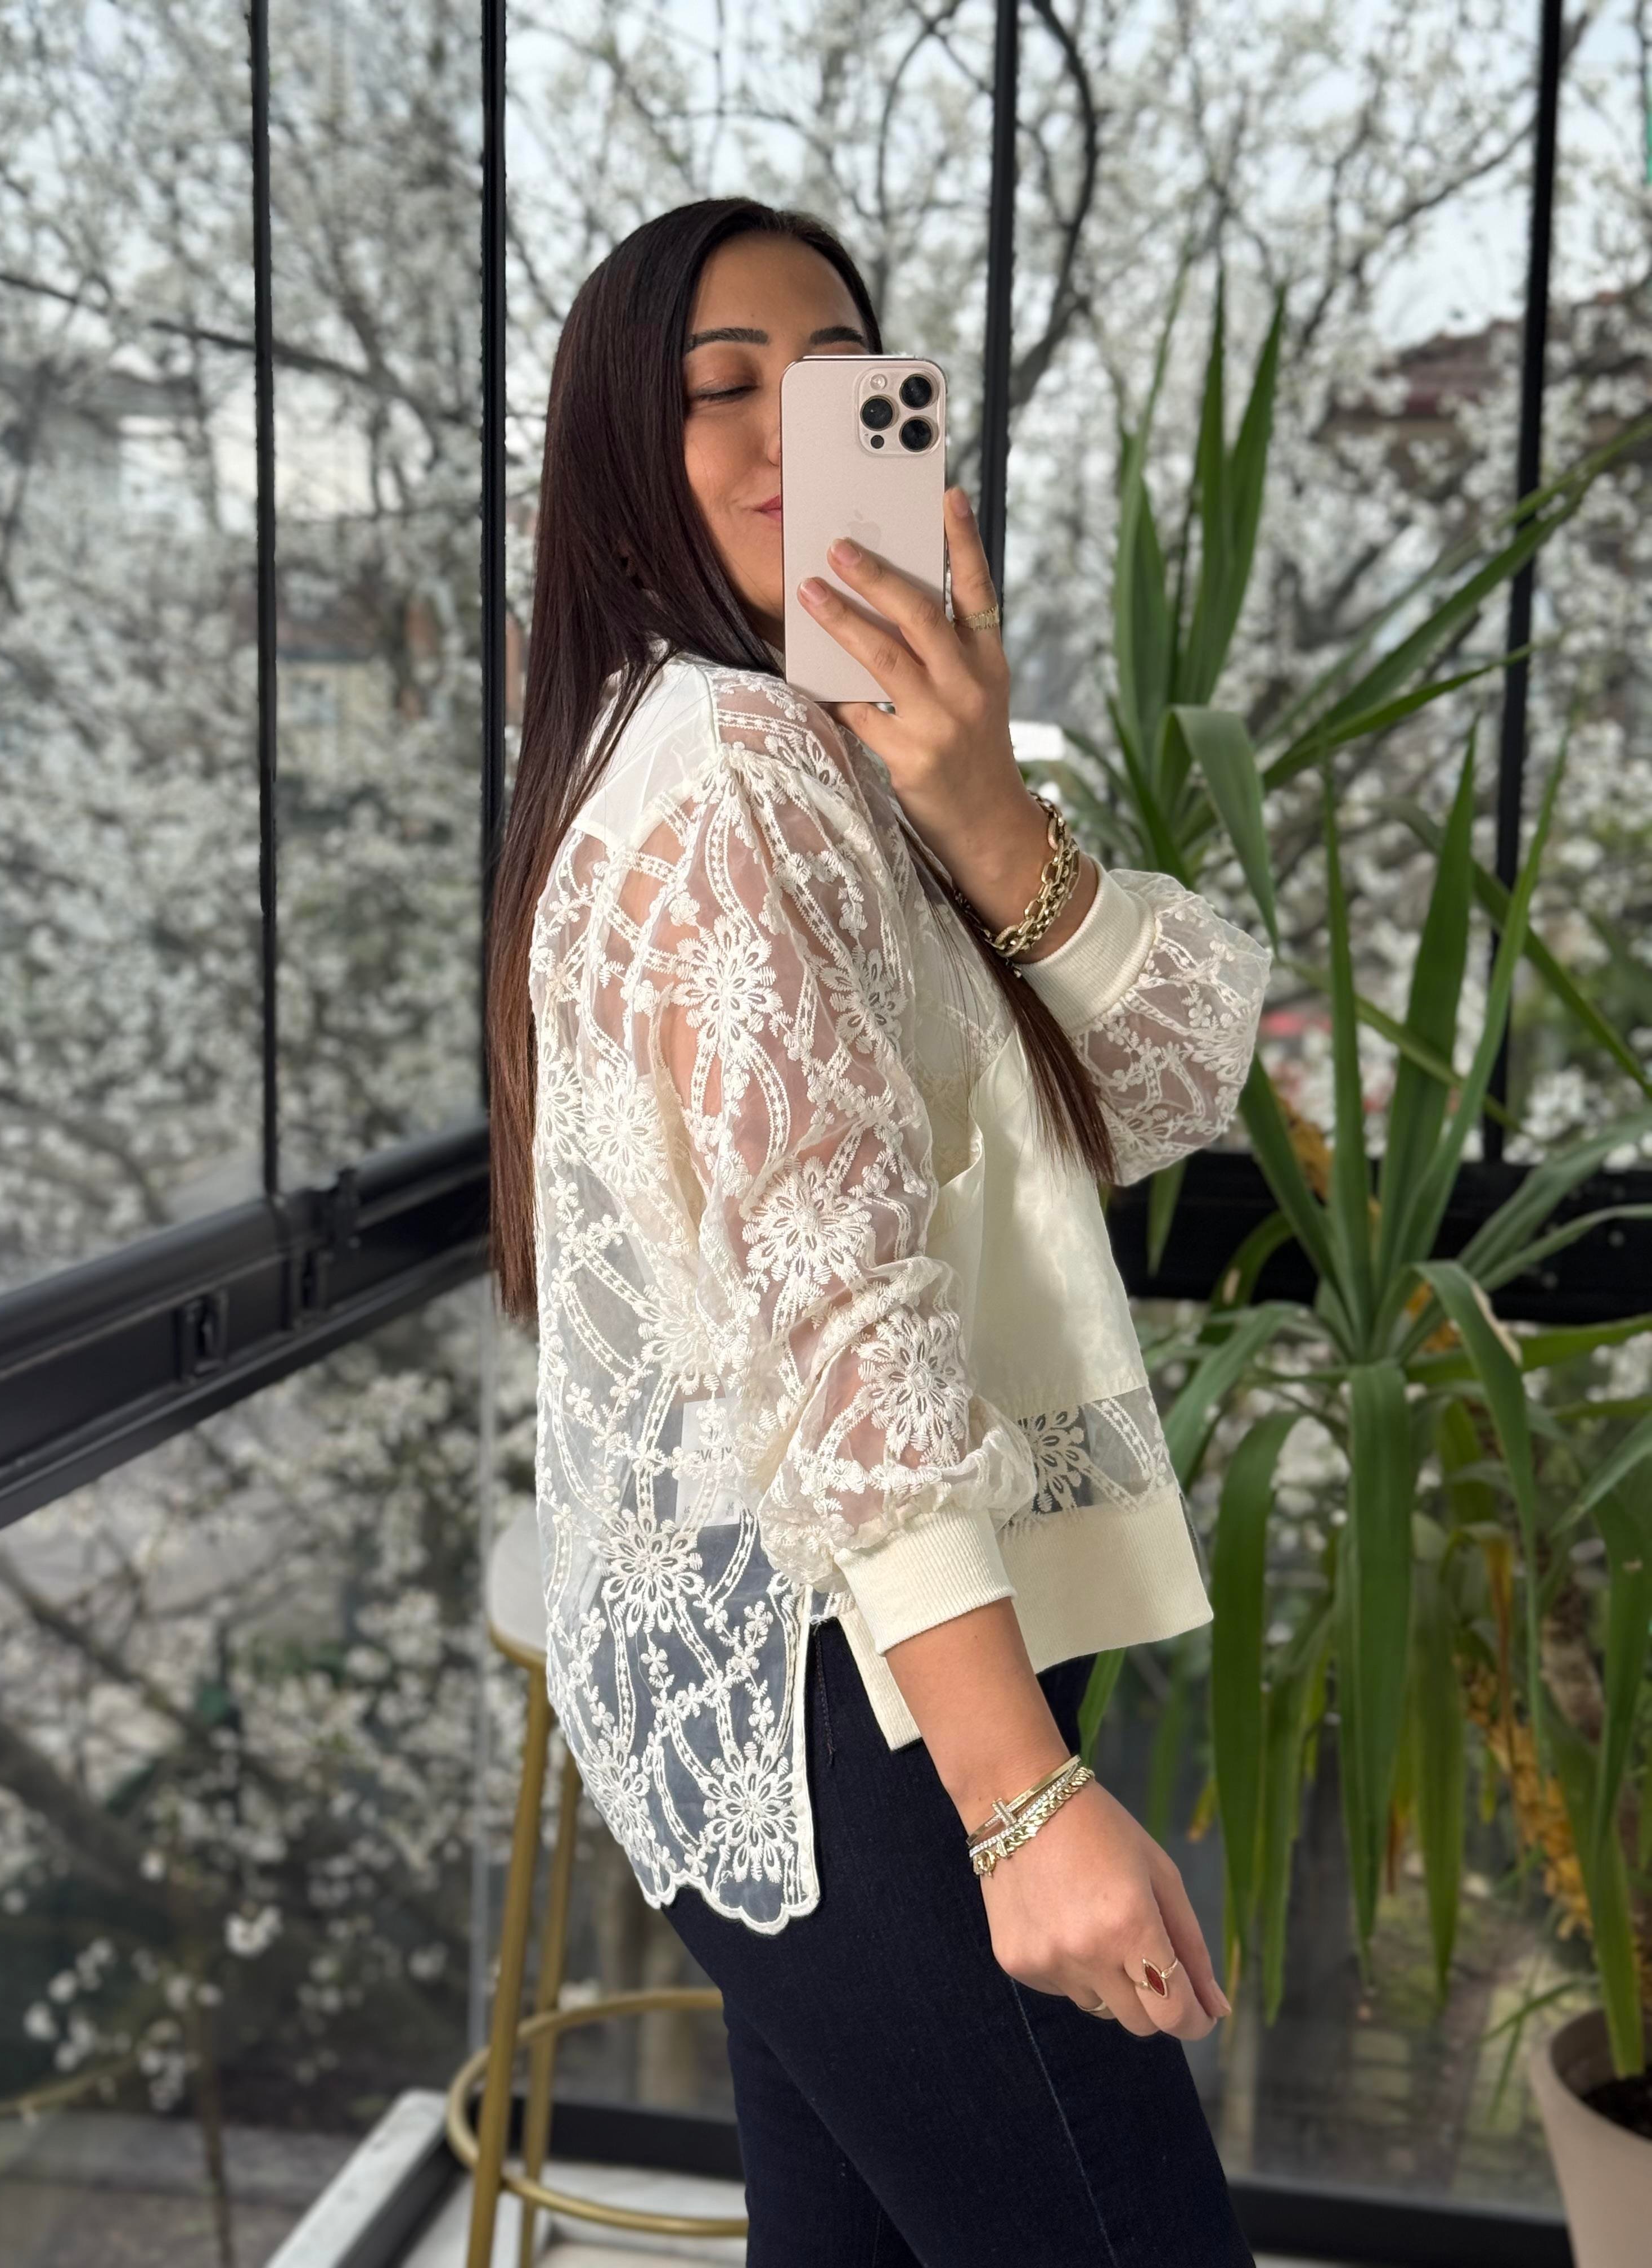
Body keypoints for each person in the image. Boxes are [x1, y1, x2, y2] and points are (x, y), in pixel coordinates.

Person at [485, 196, 1270, 2265]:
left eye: (841, 387)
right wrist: (1022, 1803)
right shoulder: (734, 769)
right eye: (715, 392)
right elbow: (845, 1316)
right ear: (616, 462)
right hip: (864, 1690)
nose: (785, 436)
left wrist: (987, 812)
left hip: (797, 1680)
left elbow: (1181, 1079)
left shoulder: (805, 752)